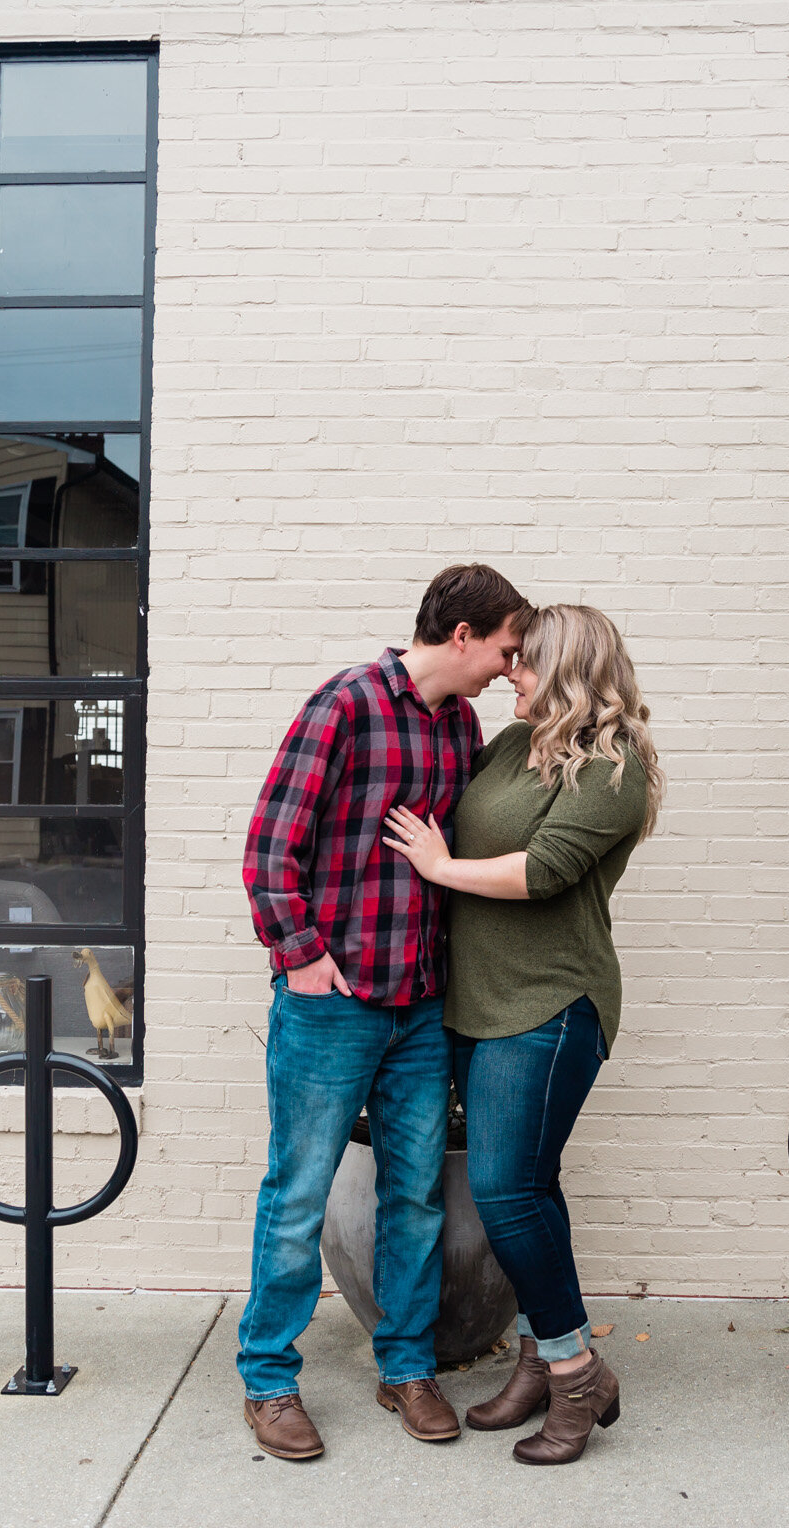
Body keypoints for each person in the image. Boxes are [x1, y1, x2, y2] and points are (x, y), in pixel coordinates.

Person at [236, 564, 532, 1462]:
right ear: (463, 636)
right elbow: (268, 848)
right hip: (335, 1004)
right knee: (298, 1193)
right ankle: (268, 1381)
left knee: (414, 1194)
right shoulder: (347, 705)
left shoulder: (463, 727)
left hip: (420, 1007)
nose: (508, 666)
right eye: (506, 648)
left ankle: (405, 1366)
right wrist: (303, 958)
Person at [381, 603, 662, 1466]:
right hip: (480, 1003)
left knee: (503, 1192)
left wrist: (439, 869)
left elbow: (542, 872)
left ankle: (578, 1376)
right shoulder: (513, 746)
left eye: (527, 663)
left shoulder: (615, 768)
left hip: (550, 1004)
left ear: (572, 669)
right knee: (533, 1188)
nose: (511, 673)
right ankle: (542, 1360)